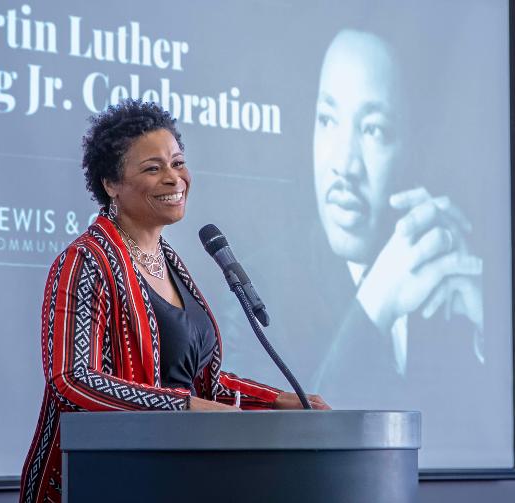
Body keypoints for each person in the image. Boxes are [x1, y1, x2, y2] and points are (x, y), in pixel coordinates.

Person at [19, 100, 329, 503]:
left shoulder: (172, 264)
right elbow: (72, 379)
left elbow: (203, 385)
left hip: (177, 472)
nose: (174, 178)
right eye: (153, 168)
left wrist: (278, 399)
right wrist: (183, 408)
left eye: (177, 163)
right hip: (106, 479)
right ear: (111, 183)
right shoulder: (86, 261)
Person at [303, 28, 485, 406]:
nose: (344, 164)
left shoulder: (448, 270)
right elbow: (287, 449)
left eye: (373, 130)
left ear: (414, 151)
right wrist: (374, 305)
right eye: (327, 120)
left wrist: (489, 332)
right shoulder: (248, 293)